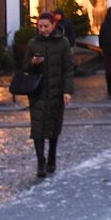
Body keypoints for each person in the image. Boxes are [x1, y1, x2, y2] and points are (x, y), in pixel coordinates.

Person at [22, 11, 74, 179]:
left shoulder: (63, 43)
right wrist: (33, 63)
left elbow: (68, 69)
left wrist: (67, 91)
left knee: (53, 127)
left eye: (46, 26)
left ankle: (51, 156)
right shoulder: (32, 43)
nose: (43, 29)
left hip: (56, 92)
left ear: (53, 25)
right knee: (37, 129)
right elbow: (24, 67)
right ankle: (41, 162)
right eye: (40, 26)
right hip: (37, 92)